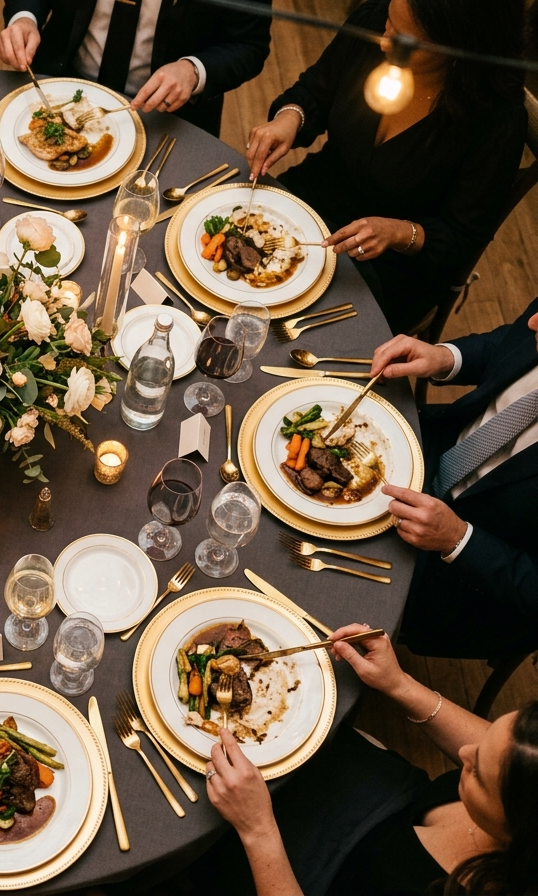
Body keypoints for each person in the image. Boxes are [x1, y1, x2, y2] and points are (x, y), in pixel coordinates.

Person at [245, 0, 526, 335]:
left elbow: (462, 237)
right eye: (389, 25)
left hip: (389, 268)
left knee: (280, 335)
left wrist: (399, 232)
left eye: (404, 39)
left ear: (458, 46)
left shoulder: (496, 120)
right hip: (312, 201)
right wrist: (291, 117)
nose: (383, 41)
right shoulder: (378, 20)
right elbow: (315, 92)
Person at [200, 625, 538, 895]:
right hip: (366, 787)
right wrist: (400, 684)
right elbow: (497, 751)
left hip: (300, 869)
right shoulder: (520, 778)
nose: (465, 753)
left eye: (478, 772)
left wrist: (258, 830)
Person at [366, 301, 538, 660]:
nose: (535, 322)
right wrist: (445, 357)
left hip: (468, 577)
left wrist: (458, 539)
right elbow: (515, 338)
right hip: (439, 446)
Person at [0, 0, 273, 137]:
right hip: (60, 82)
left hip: (165, 113)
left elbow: (249, 43)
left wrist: (193, 70)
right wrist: (25, 18)